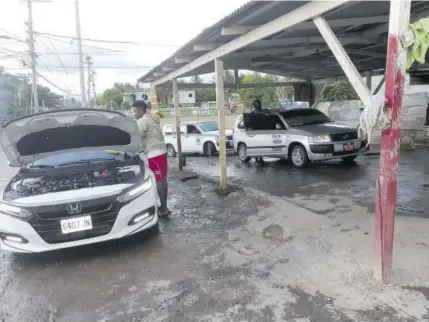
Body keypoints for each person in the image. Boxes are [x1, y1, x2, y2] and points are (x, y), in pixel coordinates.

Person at [132, 100, 171, 217]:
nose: (134, 114)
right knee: (162, 179)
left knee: (159, 181)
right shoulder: (153, 118)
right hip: (162, 151)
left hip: (154, 153)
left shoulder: (143, 121)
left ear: (140, 110)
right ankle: (164, 206)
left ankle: (164, 209)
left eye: (135, 111)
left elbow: (138, 137)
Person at [251, 99, 265, 165]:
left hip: (262, 131)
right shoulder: (253, 113)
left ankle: (261, 158)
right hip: (255, 132)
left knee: (261, 145)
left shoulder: (263, 112)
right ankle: (257, 159)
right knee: (256, 145)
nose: (258, 106)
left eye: (259, 104)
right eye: (256, 104)